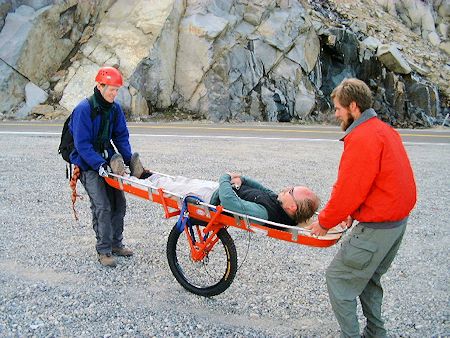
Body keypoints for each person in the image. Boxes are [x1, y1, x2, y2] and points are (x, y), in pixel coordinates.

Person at [307, 78, 417, 337]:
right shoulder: (384, 130)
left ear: (353, 106)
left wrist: (324, 221)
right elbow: (378, 182)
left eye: (338, 108)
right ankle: (376, 333)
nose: (335, 114)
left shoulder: (363, 137)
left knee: (338, 279)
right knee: (368, 279)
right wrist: (350, 212)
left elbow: (349, 188)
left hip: (379, 227)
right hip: (396, 225)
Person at [69, 66, 148, 268]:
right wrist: (99, 165)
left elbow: (120, 136)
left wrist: (130, 160)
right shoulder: (83, 110)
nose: (114, 93)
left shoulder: (114, 109)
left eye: (116, 89)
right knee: (102, 206)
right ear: (99, 85)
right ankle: (104, 250)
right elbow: (82, 145)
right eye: (111, 89)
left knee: (119, 204)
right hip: (87, 163)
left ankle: (116, 243)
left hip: (107, 158)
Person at [111, 154, 320, 228]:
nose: (286, 188)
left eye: (290, 190)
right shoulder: (280, 204)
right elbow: (263, 189)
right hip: (217, 190)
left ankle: (125, 177)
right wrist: (244, 179)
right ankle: (144, 175)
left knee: (167, 189)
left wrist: (225, 178)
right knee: (178, 180)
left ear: (292, 206)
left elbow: (230, 204)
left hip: (209, 198)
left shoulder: (266, 214)